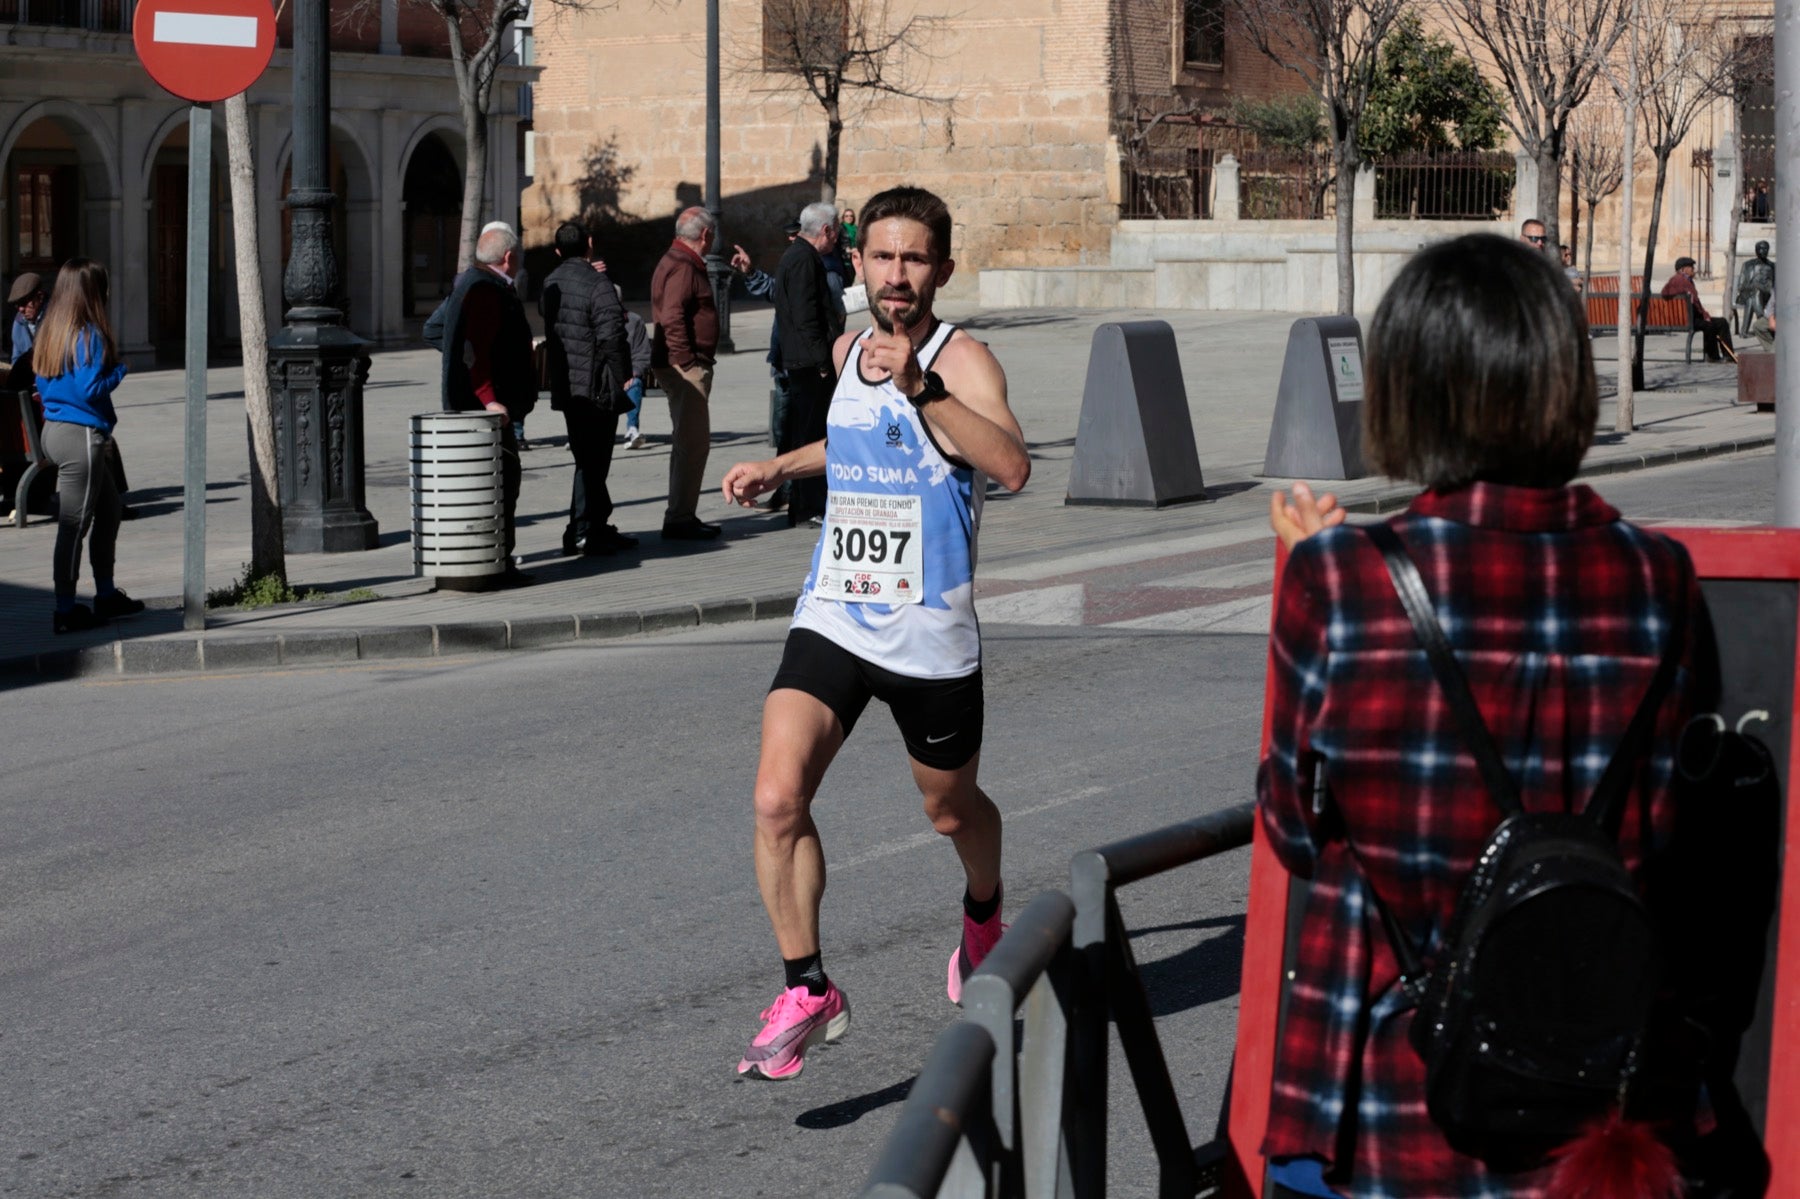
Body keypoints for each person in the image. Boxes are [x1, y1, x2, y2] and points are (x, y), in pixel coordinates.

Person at [1258, 233, 1733, 1197]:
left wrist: (1313, 570)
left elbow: (1295, 828)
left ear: (1408, 390)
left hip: (1398, 1090)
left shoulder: (1343, 581)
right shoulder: (1660, 579)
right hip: (1605, 1086)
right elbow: (1671, 828)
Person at [719, 185, 1031, 1081]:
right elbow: (857, 442)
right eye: (883, 257)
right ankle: (807, 987)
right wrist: (780, 465)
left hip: (929, 632)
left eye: (915, 259)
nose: (898, 275)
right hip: (837, 610)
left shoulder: (964, 359)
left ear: (943, 268)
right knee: (776, 797)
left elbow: (1010, 464)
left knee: (949, 810)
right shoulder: (848, 349)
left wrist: (924, 387)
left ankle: (984, 911)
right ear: (858, 262)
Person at [32, 259, 143, 634]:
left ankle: (106, 594)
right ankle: (66, 609)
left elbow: (43, 384)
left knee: (109, 511)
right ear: (94, 293)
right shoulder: (88, 334)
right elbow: (91, 388)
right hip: (80, 435)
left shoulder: (51, 330)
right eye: (104, 288)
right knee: (74, 525)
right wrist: (120, 369)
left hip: (55, 429)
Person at [434, 223, 535, 586]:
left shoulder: (475, 283)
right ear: (509, 257)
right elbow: (476, 351)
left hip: (482, 408)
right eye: (518, 255)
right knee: (502, 483)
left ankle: (495, 561)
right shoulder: (485, 290)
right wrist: (490, 400)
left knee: (499, 482)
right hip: (488, 414)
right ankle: (498, 564)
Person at [540, 220, 637, 558]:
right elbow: (613, 335)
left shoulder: (550, 282)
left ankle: (590, 525)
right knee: (594, 462)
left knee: (586, 458)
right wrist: (624, 374)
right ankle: (585, 530)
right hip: (597, 385)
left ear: (557, 251)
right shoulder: (599, 284)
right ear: (590, 244)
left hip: (568, 386)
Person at [771, 201, 847, 527]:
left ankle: (803, 504)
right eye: (836, 231)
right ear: (826, 230)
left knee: (803, 431)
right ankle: (807, 506)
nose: (838, 238)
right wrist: (822, 361)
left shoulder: (796, 255)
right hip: (808, 362)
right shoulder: (804, 259)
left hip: (800, 358)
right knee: (811, 435)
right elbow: (806, 316)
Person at [650, 205, 723, 541]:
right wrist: (686, 362)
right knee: (693, 444)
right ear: (705, 234)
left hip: (679, 363)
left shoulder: (676, 258)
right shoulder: (683, 264)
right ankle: (680, 518)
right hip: (683, 367)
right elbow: (672, 315)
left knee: (687, 442)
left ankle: (680, 514)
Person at [1662, 256, 1733, 362]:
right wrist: (1705, 316)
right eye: (1691, 267)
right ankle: (1713, 356)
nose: (1693, 269)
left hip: (1686, 318)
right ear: (1683, 269)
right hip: (1688, 319)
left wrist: (1705, 315)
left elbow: (1665, 293)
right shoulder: (1682, 281)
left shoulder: (1679, 280)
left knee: (1722, 322)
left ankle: (1727, 355)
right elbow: (1695, 302)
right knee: (1710, 325)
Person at [620, 289, 653, 450]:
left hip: (630, 374)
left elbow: (643, 354)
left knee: (635, 384)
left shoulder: (634, 321)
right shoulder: (596, 321)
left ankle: (632, 430)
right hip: (606, 375)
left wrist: (632, 373)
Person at [1735, 240, 1775, 333]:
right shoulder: (1747, 265)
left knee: (1754, 296)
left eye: (1766, 249)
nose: (1763, 251)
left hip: (1767, 295)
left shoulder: (1773, 266)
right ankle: (1761, 320)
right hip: (1748, 293)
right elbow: (1740, 285)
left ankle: (1744, 331)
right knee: (1753, 296)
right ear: (1756, 251)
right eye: (1761, 249)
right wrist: (1751, 287)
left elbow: (1776, 285)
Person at [8, 271, 45, 367]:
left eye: (24, 303)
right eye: (17, 305)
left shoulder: (55, 318)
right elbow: (16, 359)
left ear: (40, 297)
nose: (21, 309)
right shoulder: (18, 321)